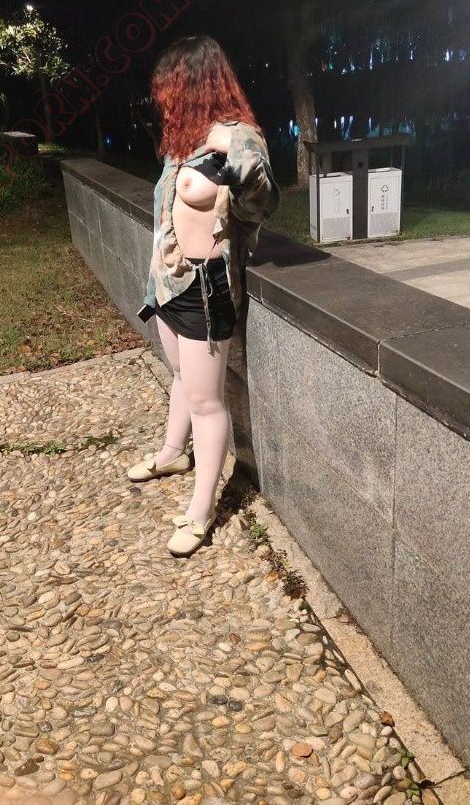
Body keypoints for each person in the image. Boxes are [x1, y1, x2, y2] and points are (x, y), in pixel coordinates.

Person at [128, 35, 280, 557]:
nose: (161, 97)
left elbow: (263, 198)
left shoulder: (237, 136)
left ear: (193, 84)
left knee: (207, 402)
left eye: (169, 86)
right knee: (181, 377)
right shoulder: (183, 138)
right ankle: (173, 451)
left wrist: (228, 145)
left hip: (205, 288)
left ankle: (201, 510)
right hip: (167, 282)